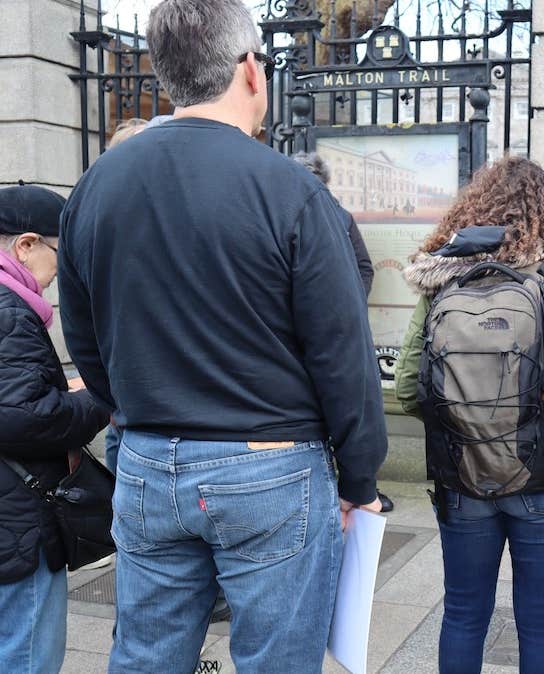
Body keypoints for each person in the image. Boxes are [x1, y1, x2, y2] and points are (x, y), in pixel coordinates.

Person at [56, 0, 386, 670]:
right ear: (251, 71)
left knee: (146, 656)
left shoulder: (97, 185)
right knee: (277, 659)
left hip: (148, 456)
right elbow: (342, 357)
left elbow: (84, 334)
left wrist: (132, 409)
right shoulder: (291, 192)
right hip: (269, 461)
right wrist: (359, 477)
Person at [393, 156, 544, 674]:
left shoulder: (444, 281)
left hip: (461, 479)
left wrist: (468, 422)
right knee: (540, 622)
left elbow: (407, 388)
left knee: (464, 614)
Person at [0, 184, 110, 674]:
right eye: (59, 252)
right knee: (26, 656)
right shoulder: (8, 310)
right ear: (26, 244)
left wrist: (64, 387)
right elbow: (24, 419)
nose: (61, 271)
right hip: (15, 526)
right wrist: (103, 396)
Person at [292, 150, 394, 513]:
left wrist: (347, 301)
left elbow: (364, 267)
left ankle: (357, 484)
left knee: (346, 401)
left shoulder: (339, 216)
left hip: (334, 325)